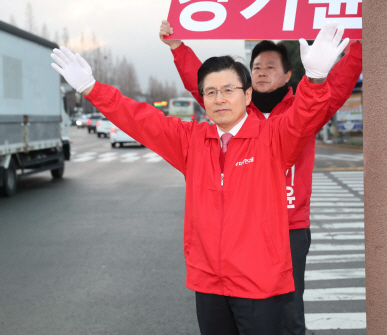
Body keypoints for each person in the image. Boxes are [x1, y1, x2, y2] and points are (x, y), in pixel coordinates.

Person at [50, 22, 348, 335]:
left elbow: (305, 116)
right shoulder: (191, 141)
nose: (220, 98)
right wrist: (91, 89)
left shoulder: (273, 138)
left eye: (229, 90)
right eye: (211, 91)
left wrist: (315, 79)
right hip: (209, 283)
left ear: (247, 95)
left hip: (260, 285)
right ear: (202, 98)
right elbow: (139, 119)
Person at [160, 20, 362, 335]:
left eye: (271, 66)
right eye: (256, 67)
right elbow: (203, 85)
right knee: (246, 314)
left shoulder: (304, 109)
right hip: (249, 229)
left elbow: (337, 84)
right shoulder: (238, 113)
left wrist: (359, 44)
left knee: (289, 313)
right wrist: (178, 48)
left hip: (290, 223)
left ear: (288, 74)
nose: (262, 71)